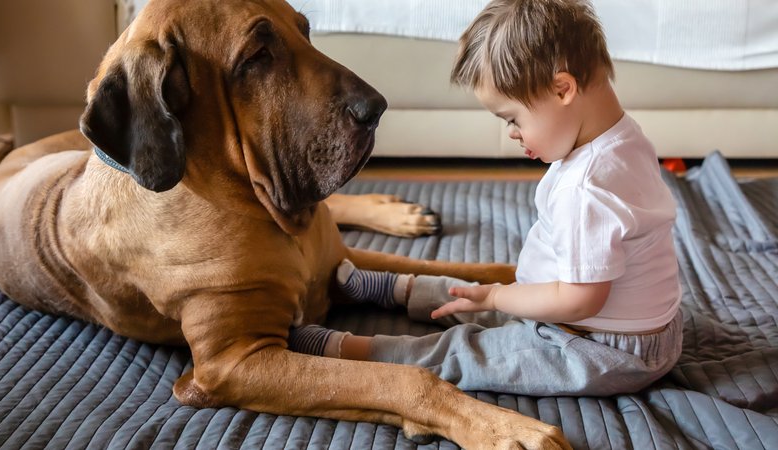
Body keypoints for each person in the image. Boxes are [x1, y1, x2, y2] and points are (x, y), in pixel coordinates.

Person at [289, 0, 683, 396]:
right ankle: (395, 289)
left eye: (513, 118)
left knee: (470, 351)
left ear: (563, 89)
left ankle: (349, 349)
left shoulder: (586, 189)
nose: (512, 132)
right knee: (475, 295)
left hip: (597, 347)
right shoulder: (623, 137)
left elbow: (580, 302)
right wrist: (500, 296)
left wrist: (500, 295)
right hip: (618, 327)